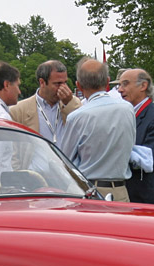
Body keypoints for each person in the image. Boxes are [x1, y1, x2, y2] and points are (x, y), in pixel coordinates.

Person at [56, 58, 135, 201]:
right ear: (107, 82)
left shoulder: (77, 117)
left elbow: (65, 159)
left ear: (78, 86)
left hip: (90, 191)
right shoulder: (128, 109)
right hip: (120, 191)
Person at [117, 68, 154, 204]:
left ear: (143, 86)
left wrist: (116, 151)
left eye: (125, 84)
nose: (119, 89)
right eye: (119, 85)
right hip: (126, 197)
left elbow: (152, 158)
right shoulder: (124, 114)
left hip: (145, 200)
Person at [9, 60, 80, 144]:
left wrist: (69, 103)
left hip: (64, 157)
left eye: (65, 83)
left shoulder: (72, 103)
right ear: (42, 82)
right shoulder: (18, 111)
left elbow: (81, 128)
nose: (63, 88)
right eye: (58, 83)